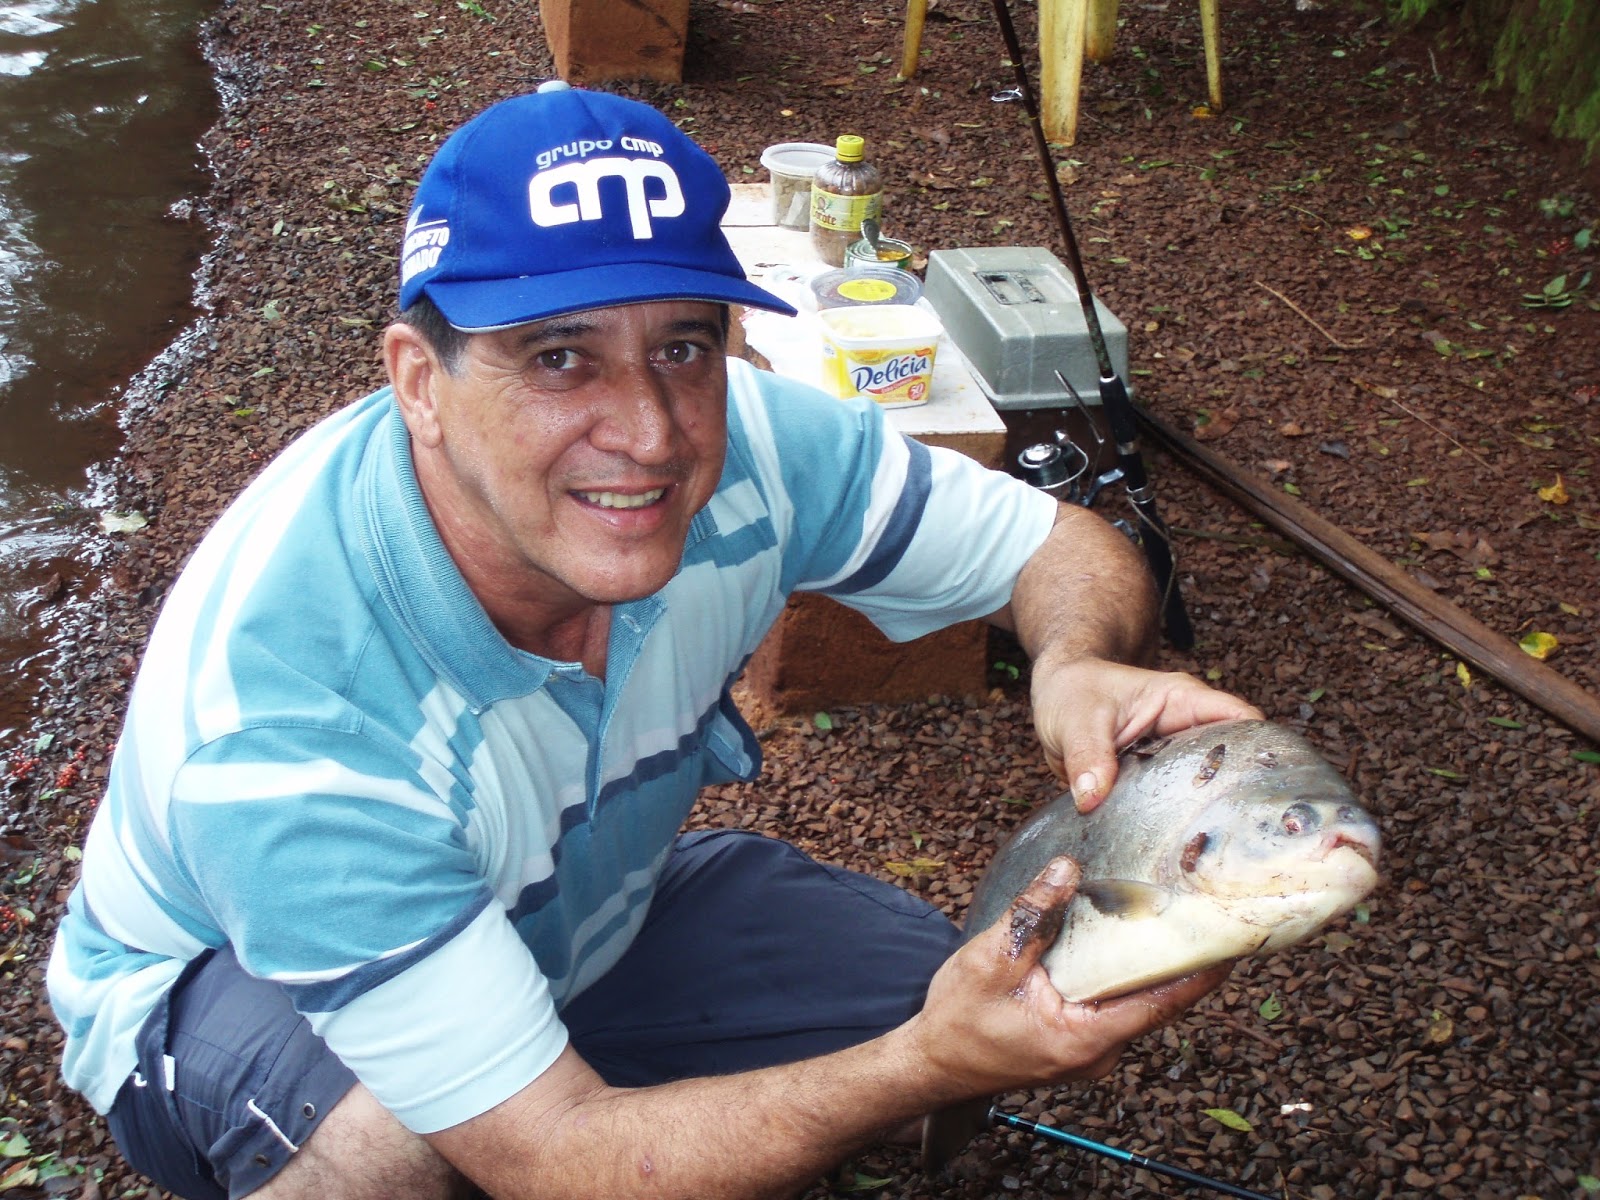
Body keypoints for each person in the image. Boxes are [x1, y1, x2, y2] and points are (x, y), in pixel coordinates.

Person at [47, 82, 1259, 1200]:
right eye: (558, 357)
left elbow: (1061, 547)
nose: (648, 432)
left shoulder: (756, 444)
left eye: (682, 346)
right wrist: (920, 1068)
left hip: (565, 921)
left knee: (951, 978)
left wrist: (1076, 661)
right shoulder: (293, 725)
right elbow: (552, 1161)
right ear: (419, 381)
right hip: (226, 989)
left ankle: (547, 1049)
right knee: (396, 1154)